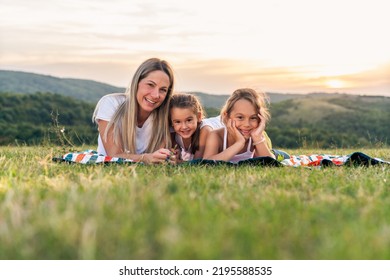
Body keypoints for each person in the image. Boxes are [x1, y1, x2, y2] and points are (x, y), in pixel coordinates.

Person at [92, 58, 176, 164]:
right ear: (136, 83)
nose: (156, 95)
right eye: (150, 85)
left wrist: (169, 157)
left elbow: (163, 156)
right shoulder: (111, 103)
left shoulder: (166, 115)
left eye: (163, 90)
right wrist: (145, 158)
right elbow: (114, 155)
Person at [203, 88, 275, 163]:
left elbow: (272, 164)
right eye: (240, 117)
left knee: (281, 155)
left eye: (253, 118)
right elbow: (207, 163)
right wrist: (239, 143)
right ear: (227, 117)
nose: (247, 124)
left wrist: (257, 138)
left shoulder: (256, 136)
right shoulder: (216, 135)